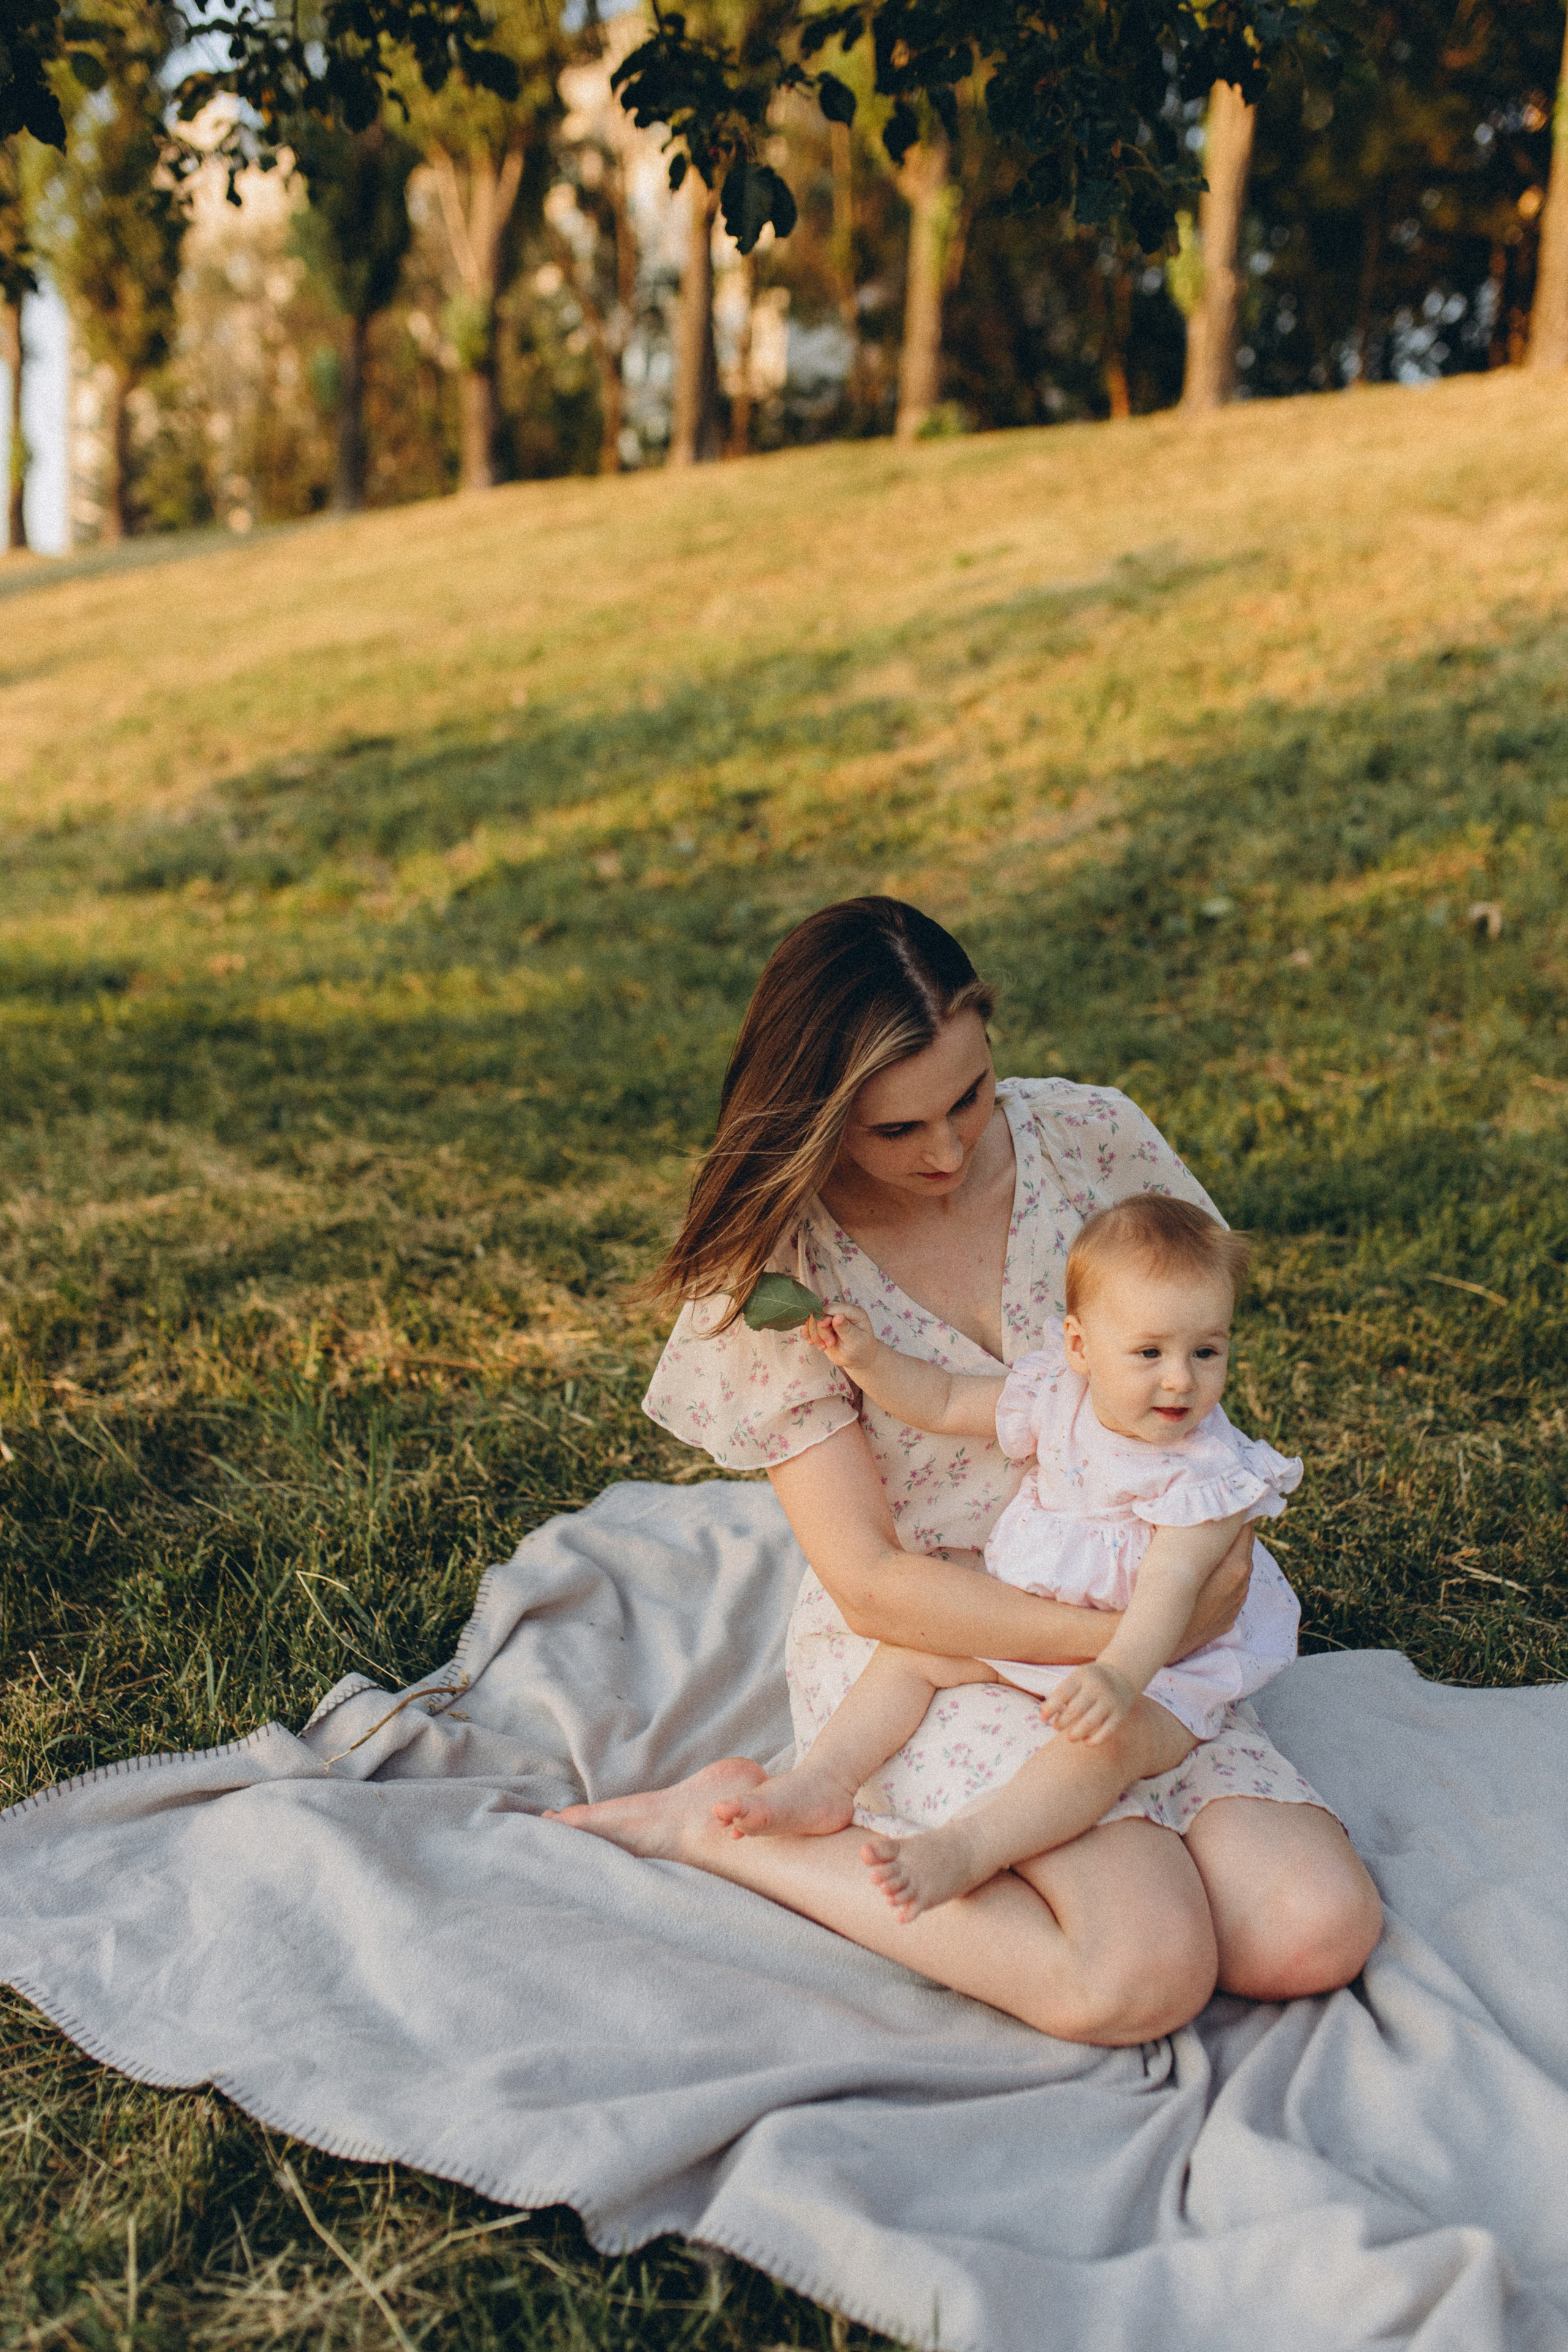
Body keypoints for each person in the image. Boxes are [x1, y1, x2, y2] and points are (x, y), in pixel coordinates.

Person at [549, 898, 1382, 2045]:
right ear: (816, 1114)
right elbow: (875, 1582)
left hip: (1135, 1612)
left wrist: (1191, 1580)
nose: (946, 1151)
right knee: (1140, 1977)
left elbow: (1182, 1384)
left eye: (969, 1098)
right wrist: (1150, 1631)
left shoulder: (1091, 1139)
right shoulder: (777, 1274)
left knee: (1314, 1932)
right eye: (895, 1131)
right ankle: (721, 1833)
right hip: (934, 1644)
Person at [712, 1194, 1306, 1926]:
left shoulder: (1203, 1473)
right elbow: (944, 1398)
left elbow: (1170, 1587)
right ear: (1081, 1347)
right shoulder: (1059, 1396)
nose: (1180, 1380)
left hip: (1162, 1672)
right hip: (1044, 1626)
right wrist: (868, 1360)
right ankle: (823, 1781)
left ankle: (968, 1848)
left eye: (1205, 1352)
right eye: (1149, 1353)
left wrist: (1119, 1677)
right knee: (906, 1656)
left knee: (1102, 1747)